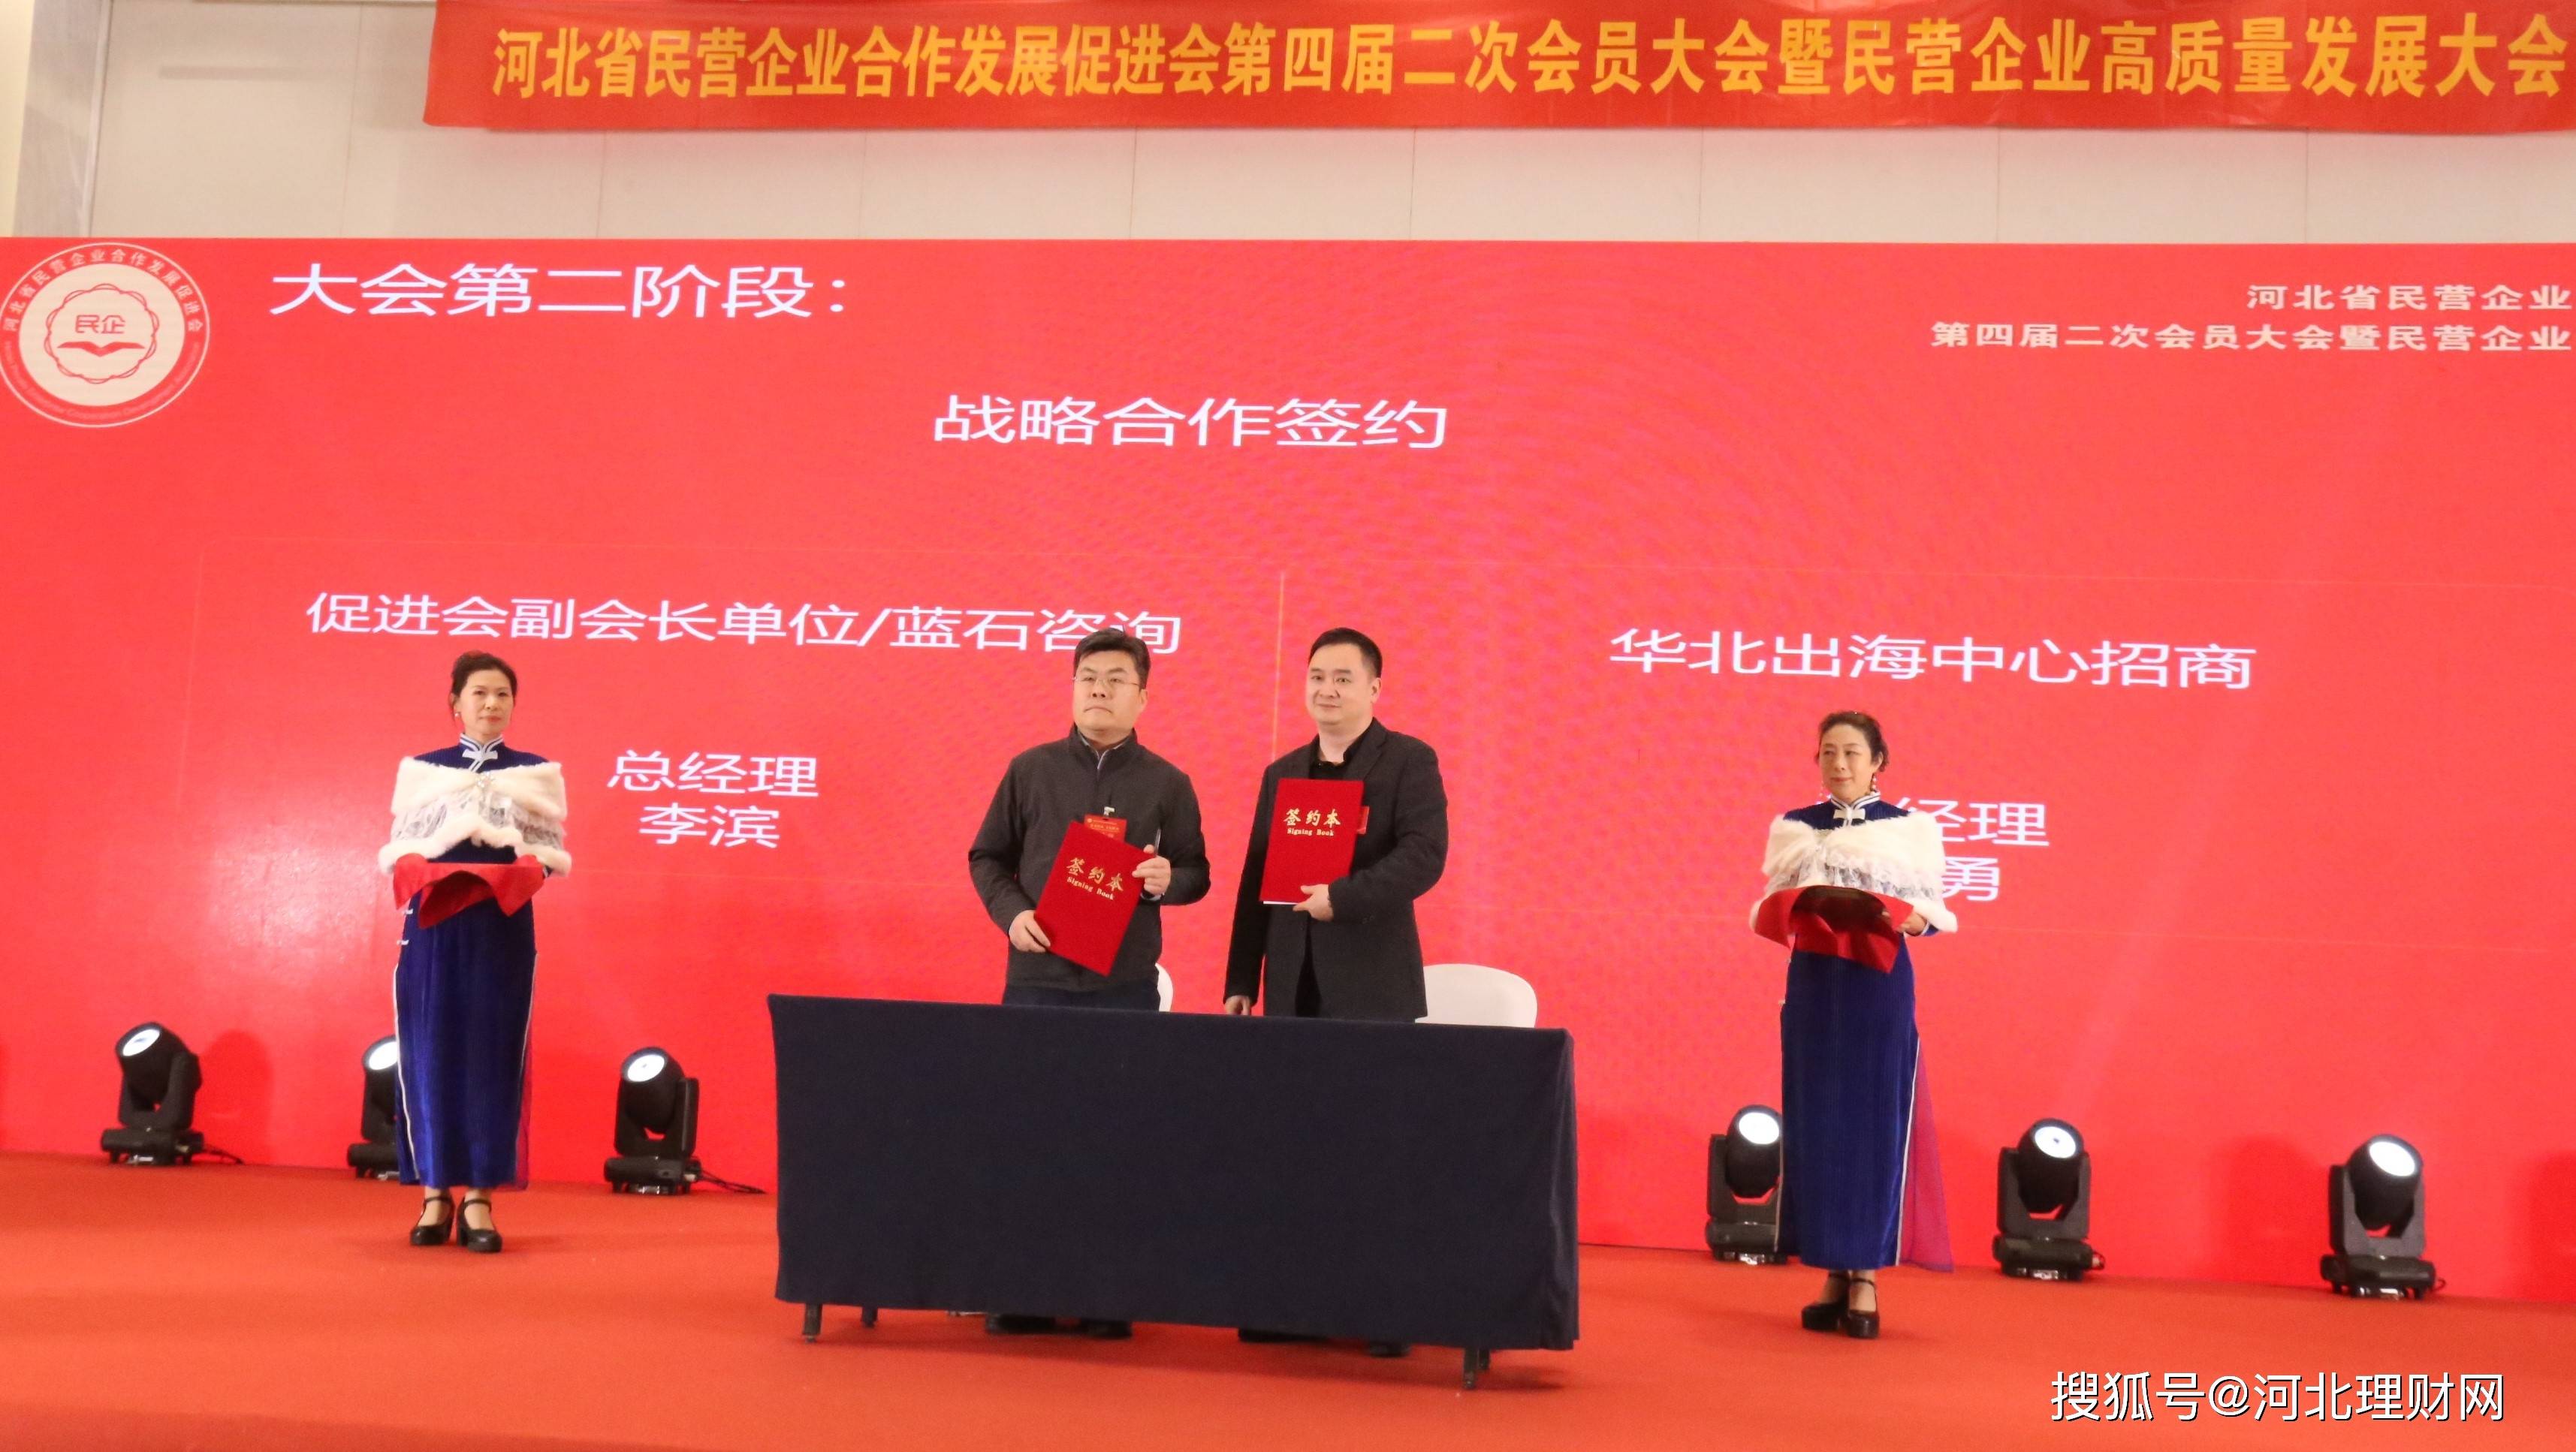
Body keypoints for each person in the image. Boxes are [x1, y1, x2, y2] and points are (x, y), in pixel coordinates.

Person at [966, 627, 1210, 1339]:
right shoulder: (1030, 770)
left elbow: (1197, 871)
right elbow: (988, 858)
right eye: (1087, 678)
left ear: (1143, 696)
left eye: (1115, 680)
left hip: (1122, 984)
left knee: (1116, 1141)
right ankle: (1022, 1292)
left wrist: (1168, 880)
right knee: (1028, 1137)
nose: (1099, 690)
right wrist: (1012, 915)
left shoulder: (1167, 783)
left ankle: (1107, 1294)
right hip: (1037, 979)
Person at [1223, 627, 1448, 1359]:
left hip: (1373, 987)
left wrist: (1342, 897)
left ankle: (1384, 1308)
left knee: (1375, 1153)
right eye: (1317, 675)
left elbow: (1424, 856)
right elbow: (1257, 878)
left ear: (1374, 687)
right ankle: (1294, 1303)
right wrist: (1241, 977)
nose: (1327, 688)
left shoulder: (1407, 760)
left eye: (1343, 677)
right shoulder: (1282, 772)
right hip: (1292, 987)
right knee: (1296, 1152)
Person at [1754, 710, 1956, 1339]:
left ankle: (1865, 1272)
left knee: (1872, 1119)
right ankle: (1832, 1270)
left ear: (1878, 763)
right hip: (1814, 982)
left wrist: (1908, 918)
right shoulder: (1793, 828)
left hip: (1877, 983)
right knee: (1818, 1119)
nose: (1839, 763)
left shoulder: (1910, 828)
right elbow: (1771, 905)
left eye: (1852, 753)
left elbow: (1931, 912)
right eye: (1828, 752)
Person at [380, 652, 569, 1254]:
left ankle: (481, 1196)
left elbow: (548, 853)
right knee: (429, 1049)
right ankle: (435, 1193)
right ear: (455, 703)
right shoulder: (423, 771)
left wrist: (528, 871)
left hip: (501, 927)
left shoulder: (536, 774)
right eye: (480, 693)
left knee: (493, 1052)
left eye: (503, 695)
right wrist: (419, 869)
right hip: (434, 927)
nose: (491, 704)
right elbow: (401, 849)